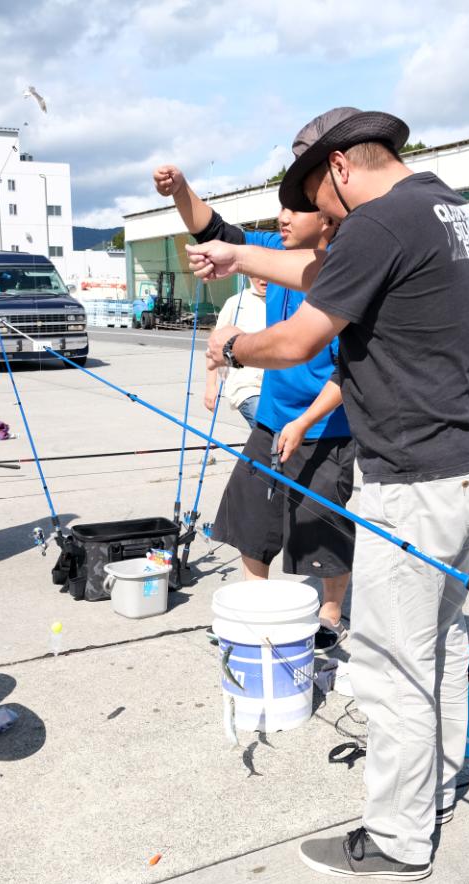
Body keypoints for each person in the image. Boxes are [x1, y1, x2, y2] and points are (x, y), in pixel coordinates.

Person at [192, 109, 469, 880]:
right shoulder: (441, 206)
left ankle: (398, 837)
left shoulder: (375, 221)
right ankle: (432, 788)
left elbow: (299, 337)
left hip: (417, 482)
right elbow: (333, 276)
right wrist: (240, 256)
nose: (319, 220)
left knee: (391, 663)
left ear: (337, 169)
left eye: (317, 199)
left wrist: (232, 346)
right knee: (440, 641)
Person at [155, 164, 354, 648]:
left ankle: (330, 614)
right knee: (252, 515)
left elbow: (349, 373)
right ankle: (257, 606)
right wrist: (181, 190)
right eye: (281, 209)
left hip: (328, 428)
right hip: (270, 419)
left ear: (325, 219)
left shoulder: (347, 271)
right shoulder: (271, 251)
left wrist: (306, 421)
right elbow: (212, 229)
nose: (283, 218)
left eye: (296, 210)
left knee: (319, 526)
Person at [204, 276, 267, 427]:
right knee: (267, 430)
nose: (263, 280)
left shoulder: (281, 302)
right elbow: (212, 348)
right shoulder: (235, 303)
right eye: (257, 274)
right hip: (246, 387)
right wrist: (211, 387)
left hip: (274, 387)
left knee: (268, 444)